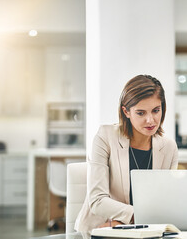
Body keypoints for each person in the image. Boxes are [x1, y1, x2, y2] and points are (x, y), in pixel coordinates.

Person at [75, 75, 178, 232]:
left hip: (148, 231)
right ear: (126, 112)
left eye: (156, 110)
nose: (150, 120)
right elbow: (97, 200)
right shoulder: (105, 137)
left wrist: (135, 222)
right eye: (141, 113)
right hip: (103, 229)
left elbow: (166, 201)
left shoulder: (169, 147)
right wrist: (135, 218)